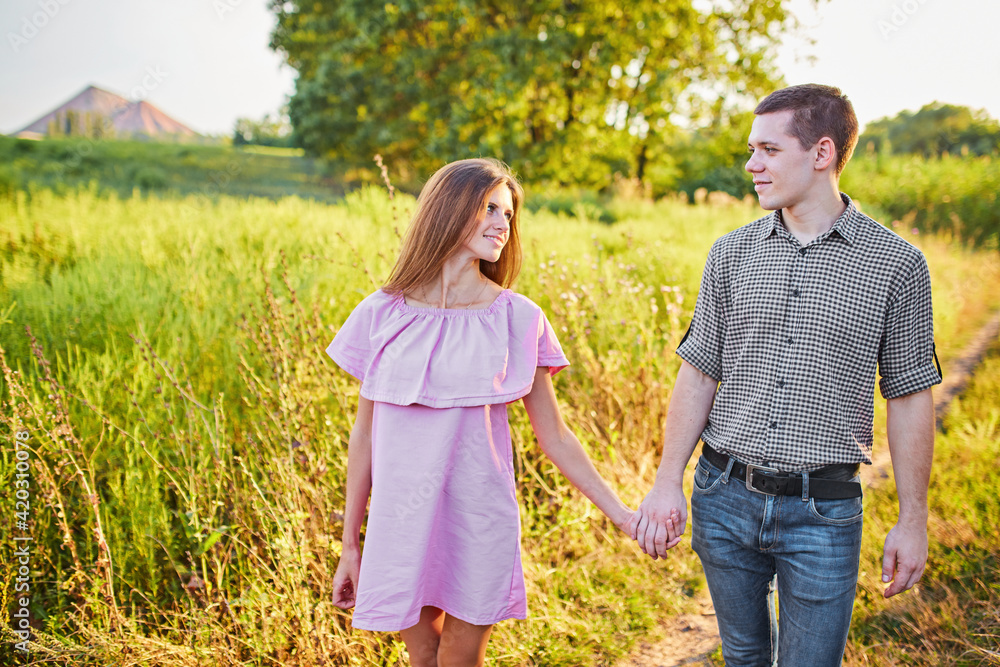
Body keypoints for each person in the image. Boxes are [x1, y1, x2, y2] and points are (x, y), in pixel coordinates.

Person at [632, 84, 941, 665]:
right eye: (752, 150)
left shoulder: (897, 264)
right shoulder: (730, 253)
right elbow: (698, 375)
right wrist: (667, 480)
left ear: (821, 153)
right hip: (723, 497)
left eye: (769, 150)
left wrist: (912, 520)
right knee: (743, 656)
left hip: (823, 513)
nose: (752, 165)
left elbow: (909, 396)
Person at [326, 157, 636, 667]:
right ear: (448, 209)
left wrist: (621, 514)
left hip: (477, 522)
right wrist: (350, 546)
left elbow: (555, 437)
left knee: (458, 660)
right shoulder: (381, 313)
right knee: (423, 658)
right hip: (401, 524)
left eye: (508, 214)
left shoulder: (519, 317)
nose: (502, 223)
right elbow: (364, 438)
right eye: (489, 208)